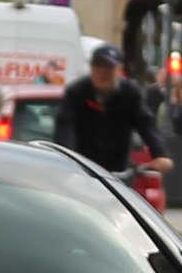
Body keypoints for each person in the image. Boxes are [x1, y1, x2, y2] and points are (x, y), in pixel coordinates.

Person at [51, 42, 162, 179]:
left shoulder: (130, 93)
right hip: (83, 171)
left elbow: (145, 123)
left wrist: (160, 154)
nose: (102, 73)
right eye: (98, 67)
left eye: (108, 68)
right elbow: (65, 126)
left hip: (118, 173)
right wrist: (64, 158)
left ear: (119, 70)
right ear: (91, 68)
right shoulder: (77, 92)